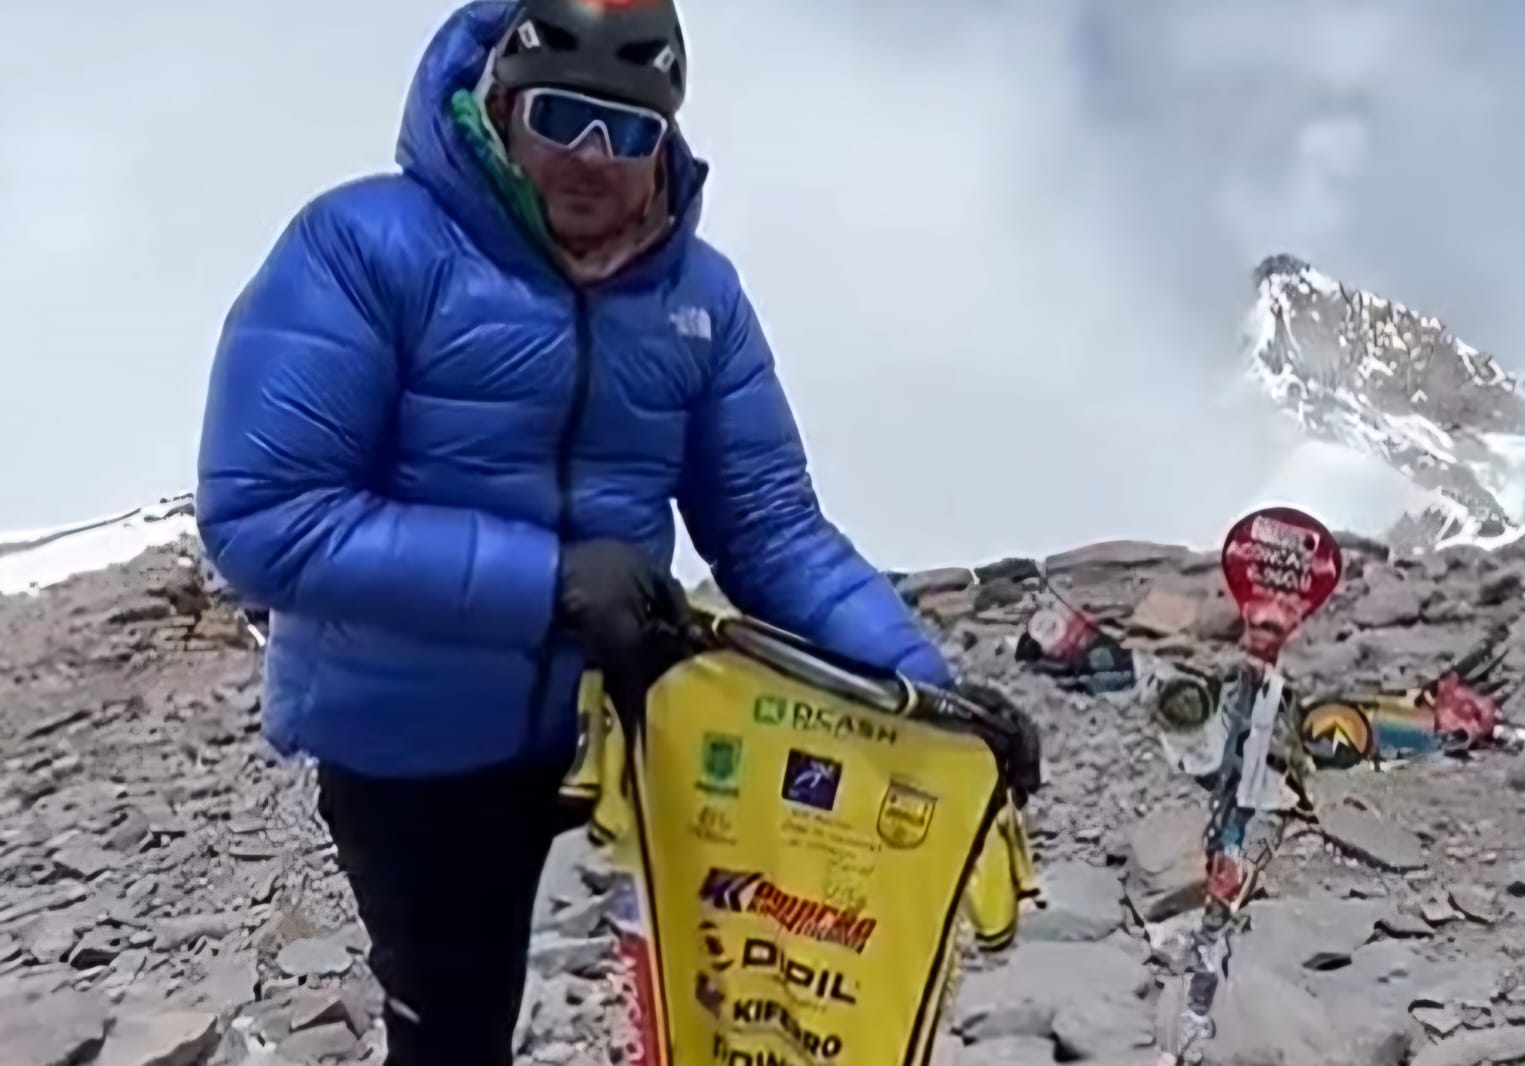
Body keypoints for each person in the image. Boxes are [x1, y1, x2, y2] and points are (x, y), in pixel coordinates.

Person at [194, 1, 999, 1063]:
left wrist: (929, 695)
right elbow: (267, 517)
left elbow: (770, 529)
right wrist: (553, 584)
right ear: (499, 105)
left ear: (664, 138)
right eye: (560, 116)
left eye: (626, 128)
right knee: (456, 1026)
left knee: (702, 1009)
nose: (590, 155)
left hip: (626, 739)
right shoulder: (365, 247)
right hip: (408, 748)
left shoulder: (699, 298)